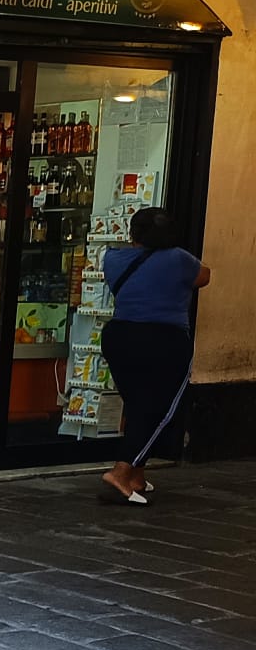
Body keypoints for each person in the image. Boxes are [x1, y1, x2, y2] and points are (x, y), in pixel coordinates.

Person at [98, 205, 209, 505]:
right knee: (160, 409)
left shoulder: (112, 258)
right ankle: (121, 472)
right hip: (164, 339)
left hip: (119, 336)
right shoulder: (179, 259)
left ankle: (137, 475)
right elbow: (204, 277)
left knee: (138, 405)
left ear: (133, 232)